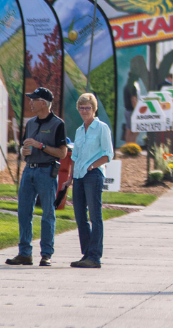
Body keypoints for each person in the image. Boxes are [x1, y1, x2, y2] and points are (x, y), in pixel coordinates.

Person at [7, 88, 68, 266]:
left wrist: (40, 146)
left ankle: (46, 254)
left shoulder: (58, 124)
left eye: (34, 99)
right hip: (29, 170)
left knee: (48, 212)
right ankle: (24, 253)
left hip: (46, 172)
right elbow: (25, 149)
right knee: (24, 212)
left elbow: (63, 153)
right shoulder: (31, 123)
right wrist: (23, 151)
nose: (31, 102)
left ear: (44, 103)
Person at [68, 93, 111, 268]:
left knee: (95, 216)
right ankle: (87, 253)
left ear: (94, 109)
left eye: (88, 108)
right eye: (81, 108)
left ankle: (95, 256)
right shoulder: (79, 130)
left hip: (93, 175)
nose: (84, 111)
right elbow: (75, 156)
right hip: (78, 176)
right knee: (80, 216)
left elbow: (108, 154)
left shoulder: (102, 128)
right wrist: (70, 177)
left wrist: (92, 167)